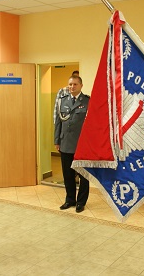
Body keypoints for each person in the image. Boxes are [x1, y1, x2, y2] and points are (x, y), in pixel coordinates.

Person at [54, 74, 90, 213]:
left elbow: (92, 124)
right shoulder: (62, 101)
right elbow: (58, 122)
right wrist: (57, 140)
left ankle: (81, 202)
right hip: (65, 144)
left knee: (83, 176)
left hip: (82, 145)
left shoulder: (87, 101)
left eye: (75, 84)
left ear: (81, 85)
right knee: (67, 175)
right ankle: (70, 200)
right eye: (70, 84)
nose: (72, 87)